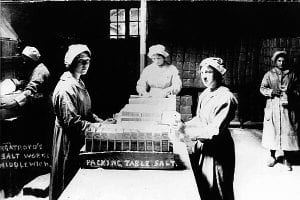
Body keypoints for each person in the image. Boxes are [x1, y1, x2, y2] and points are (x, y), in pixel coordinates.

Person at [49, 44, 103, 200]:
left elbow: (85, 111)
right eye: (81, 61)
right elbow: (72, 122)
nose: (86, 65)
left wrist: (99, 121)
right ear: (72, 62)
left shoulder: (78, 82)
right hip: (68, 140)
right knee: (68, 180)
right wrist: (98, 127)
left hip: (78, 137)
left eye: (88, 61)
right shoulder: (66, 87)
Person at [179, 57, 237, 200]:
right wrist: (184, 125)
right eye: (202, 72)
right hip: (204, 147)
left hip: (219, 150)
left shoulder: (225, 97)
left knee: (219, 188)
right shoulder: (205, 94)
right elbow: (200, 119)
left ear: (218, 73)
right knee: (205, 187)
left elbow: (214, 131)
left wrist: (188, 132)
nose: (204, 75)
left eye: (209, 72)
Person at [260, 50, 300, 171]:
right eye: (279, 60)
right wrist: (271, 92)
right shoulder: (269, 74)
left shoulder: (292, 75)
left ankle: (287, 158)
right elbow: (262, 88)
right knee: (272, 131)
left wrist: (291, 92)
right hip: (272, 107)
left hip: (287, 108)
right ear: (275, 61)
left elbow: (298, 90)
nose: (281, 63)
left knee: (287, 131)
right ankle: (272, 156)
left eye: (283, 61)